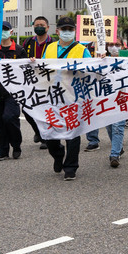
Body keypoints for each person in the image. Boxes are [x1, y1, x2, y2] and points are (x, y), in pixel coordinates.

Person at [43, 16, 91, 181]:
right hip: (52, 96)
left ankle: (71, 167)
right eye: (64, 29)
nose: (67, 32)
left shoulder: (82, 49)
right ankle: (57, 154)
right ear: (57, 31)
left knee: (73, 132)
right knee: (49, 133)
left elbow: (90, 71)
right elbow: (42, 68)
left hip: (73, 96)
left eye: (70, 30)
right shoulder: (49, 48)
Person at [0, 21, 27, 161]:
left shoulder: (19, 50)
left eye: (5, 30)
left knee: (10, 118)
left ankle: (16, 145)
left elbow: (25, 69)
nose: (2, 32)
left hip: (12, 92)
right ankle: (2, 150)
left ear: (11, 32)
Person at [22, 16, 52, 149]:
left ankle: (46, 137)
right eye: (37, 25)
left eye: (42, 25)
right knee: (27, 109)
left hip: (48, 80)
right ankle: (38, 131)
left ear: (48, 27)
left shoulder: (53, 43)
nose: (39, 27)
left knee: (46, 109)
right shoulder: (28, 42)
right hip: (31, 80)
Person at [103, 39, 127, 168]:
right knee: (109, 126)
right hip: (107, 98)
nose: (114, 47)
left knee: (118, 125)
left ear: (123, 46)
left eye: (117, 45)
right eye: (111, 45)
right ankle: (118, 146)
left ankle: (114, 154)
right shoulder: (103, 60)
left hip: (123, 97)